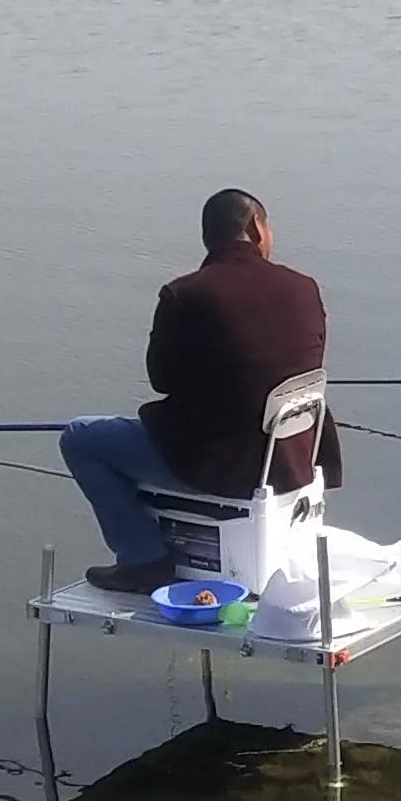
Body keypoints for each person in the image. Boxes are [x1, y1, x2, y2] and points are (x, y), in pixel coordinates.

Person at [61, 189, 341, 594]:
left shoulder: (185, 295)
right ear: (255, 227)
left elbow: (162, 380)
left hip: (224, 466)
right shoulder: (304, 287)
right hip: (294, 458)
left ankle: (144, 559)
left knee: (81, 439)